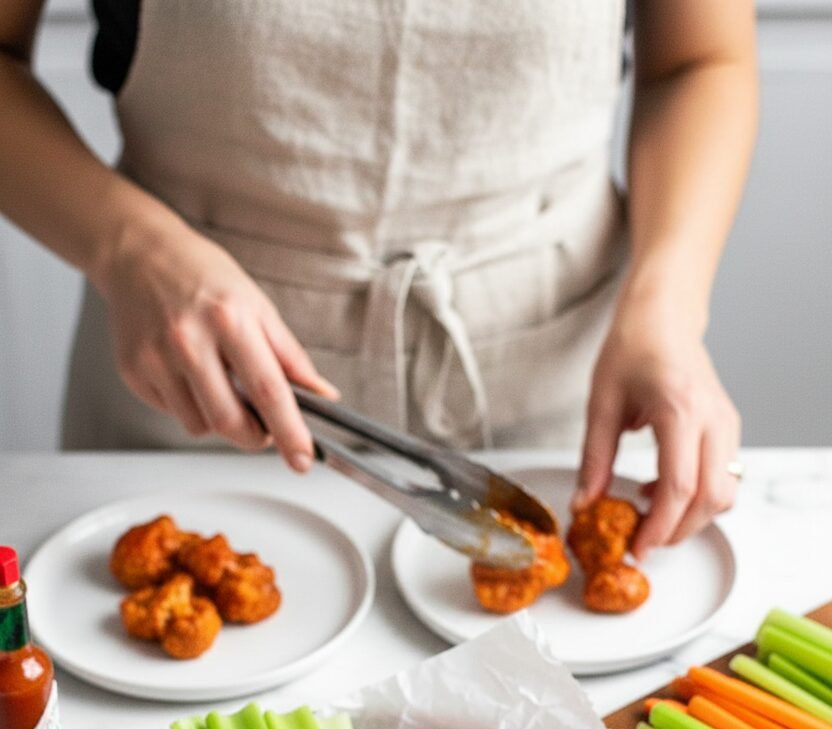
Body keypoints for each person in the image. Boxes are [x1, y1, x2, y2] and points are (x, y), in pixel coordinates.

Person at [0, 2, 756, 558]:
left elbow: (699, 60)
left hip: (559, 395)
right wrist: (130, 248)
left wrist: (669, 305)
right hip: (193, 383)